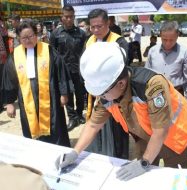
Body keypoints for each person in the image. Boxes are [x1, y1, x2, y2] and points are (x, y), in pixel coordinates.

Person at [55, 42, 187, 181]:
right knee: (145, 179)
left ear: (121, 84)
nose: (101, 97)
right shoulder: (110, 92)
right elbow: (93, 125)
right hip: (146, 137)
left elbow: (160, 131)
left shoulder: (152, 86)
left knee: (172, 179)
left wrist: (144, 162)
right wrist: (75, 152)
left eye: (103, 93)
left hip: (175, 136)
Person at [1, 19, 71, 147]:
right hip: (27, 99)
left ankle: (58, 153)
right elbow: (9, 80)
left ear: (36, 34)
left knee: (55, 127)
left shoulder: (48, 50)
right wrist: (10, 103)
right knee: (31, 128)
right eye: (24, 38)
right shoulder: (15, 55)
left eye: (31, 36)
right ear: (18, 38)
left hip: (51, 98)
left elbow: (61, 71)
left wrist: (64, 93)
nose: (28, 40)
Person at [85, 8, 129, 159]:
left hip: (114, 95)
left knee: (116, 130)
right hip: (95, 93)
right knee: (97, 125)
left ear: (108, 23)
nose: (95, 30)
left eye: (99, 26)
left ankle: (119, 157)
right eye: (92, 27)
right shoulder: (89, 41)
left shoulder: (119, 42)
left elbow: (123, 71)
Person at [50, 5, 86, 131]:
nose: (69, 19)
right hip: (63, 72)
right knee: (68, 94)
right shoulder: (55, 34)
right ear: (62, 17)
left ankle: (80, 114)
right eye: (66, 17)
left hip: (79, 70)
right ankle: (72, 118)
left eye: (71, 17)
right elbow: (52, 54)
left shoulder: (81, 34)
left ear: (74, 17)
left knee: (80, 94)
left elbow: (85, 52)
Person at [145, 21, 187, 103]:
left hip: (176, 95)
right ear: (160, 35)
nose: (168, 43)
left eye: (172, 40)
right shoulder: (152, 51)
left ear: (177, 35)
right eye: (164, 39)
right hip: (155, 95)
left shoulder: (184, 52)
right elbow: (146, 75)